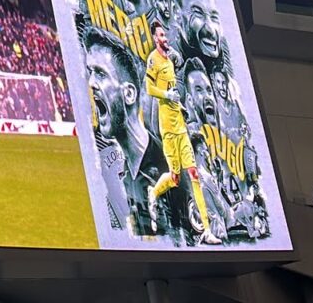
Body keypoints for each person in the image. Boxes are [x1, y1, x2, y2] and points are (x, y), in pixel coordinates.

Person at [82, 26, 164, 236]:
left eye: (101, 74)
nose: (91, 83)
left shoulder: (166, 167)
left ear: (129, 94)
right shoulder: (120, 174)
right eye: (91, 73)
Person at [145, 21, 221, 245]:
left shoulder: (170, 59)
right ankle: (153, 193)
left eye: (165, 35)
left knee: (194, 174)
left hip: (180, 126)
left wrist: (179, 104)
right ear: (154, 38)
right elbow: (149, 88)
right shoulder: (153, 60)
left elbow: (173, 86)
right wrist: (166, 96)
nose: (165, 38)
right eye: (161, 35)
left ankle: (207, 230)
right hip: (168, 128)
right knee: (175, 178)